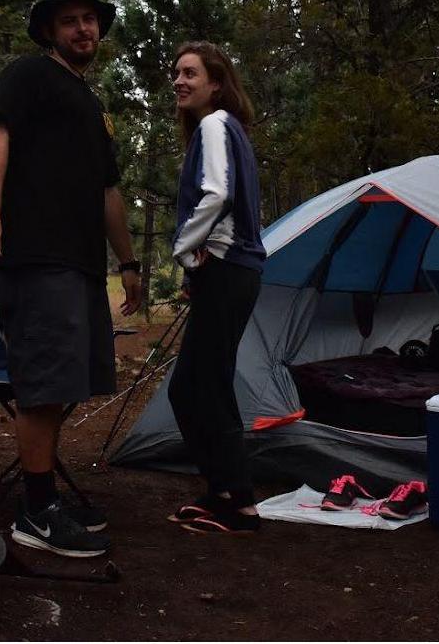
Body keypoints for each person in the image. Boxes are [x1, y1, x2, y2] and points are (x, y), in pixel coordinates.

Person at [0, 0, 142, 558]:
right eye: (69, 21)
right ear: (49, 31)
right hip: (36, 255)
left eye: (90, 20)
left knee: (63, 384)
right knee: (42, 386)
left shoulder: (91, 105)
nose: (82, 29)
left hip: (81, 264)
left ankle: (42, 497)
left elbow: (108, 189)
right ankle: (35, 513)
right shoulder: (28, 75)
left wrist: (129, 262)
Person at [166, 41, 266, 534]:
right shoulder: (232, 131)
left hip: (228, 268)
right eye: (177, 74)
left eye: (190, 73)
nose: (180, 82)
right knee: (198, 384)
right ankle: (224, 491)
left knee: (200, 385)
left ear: (216, 83)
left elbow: (218, 194)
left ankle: (240, 503)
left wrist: (182, 249)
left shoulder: (213, 123)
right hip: (232, 271)